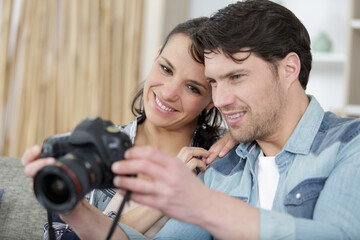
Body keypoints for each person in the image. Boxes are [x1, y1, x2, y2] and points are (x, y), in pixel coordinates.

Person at [103, 0, 360, 239]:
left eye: (236, 77)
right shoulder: (224, 163)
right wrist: (77, 211)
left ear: (289, 69)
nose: (221, 99)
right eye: (214, 82)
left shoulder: (350, 144)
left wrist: (203, 203)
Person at [22, 17, 236, 239]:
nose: (169, 92)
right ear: (156, 56)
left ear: (212, 98)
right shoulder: (91, 145)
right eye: (165, 68)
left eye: (192, 87)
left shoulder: (223, 162)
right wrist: (161, 199)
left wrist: (241, 135)